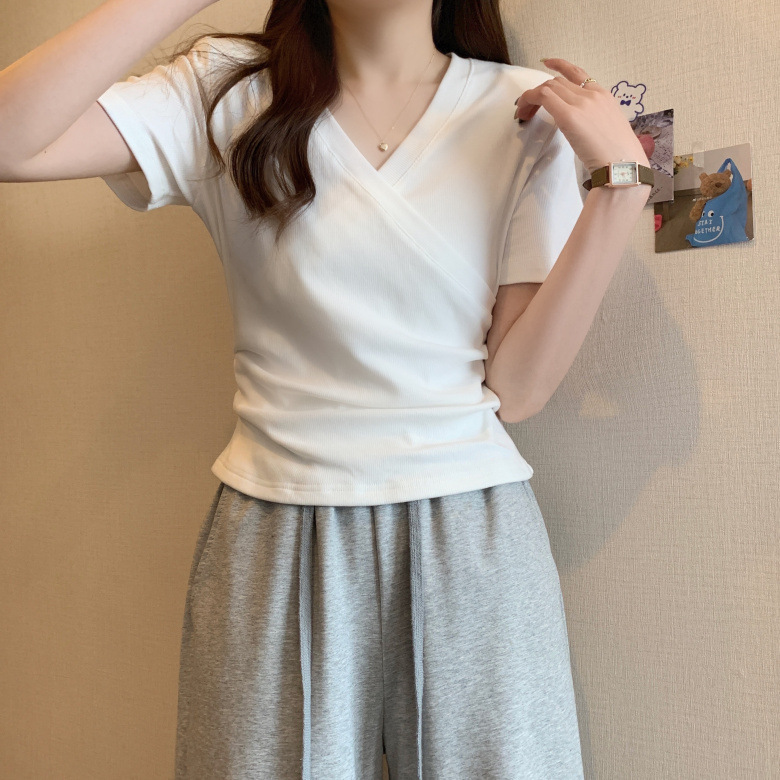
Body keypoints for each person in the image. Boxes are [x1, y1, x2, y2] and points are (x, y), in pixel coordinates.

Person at [0, 0, 651, 777]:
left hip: (472, 536)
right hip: (275, 530)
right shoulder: (226, 95)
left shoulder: (523, 111)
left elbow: (517, 389)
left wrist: (620, 187)